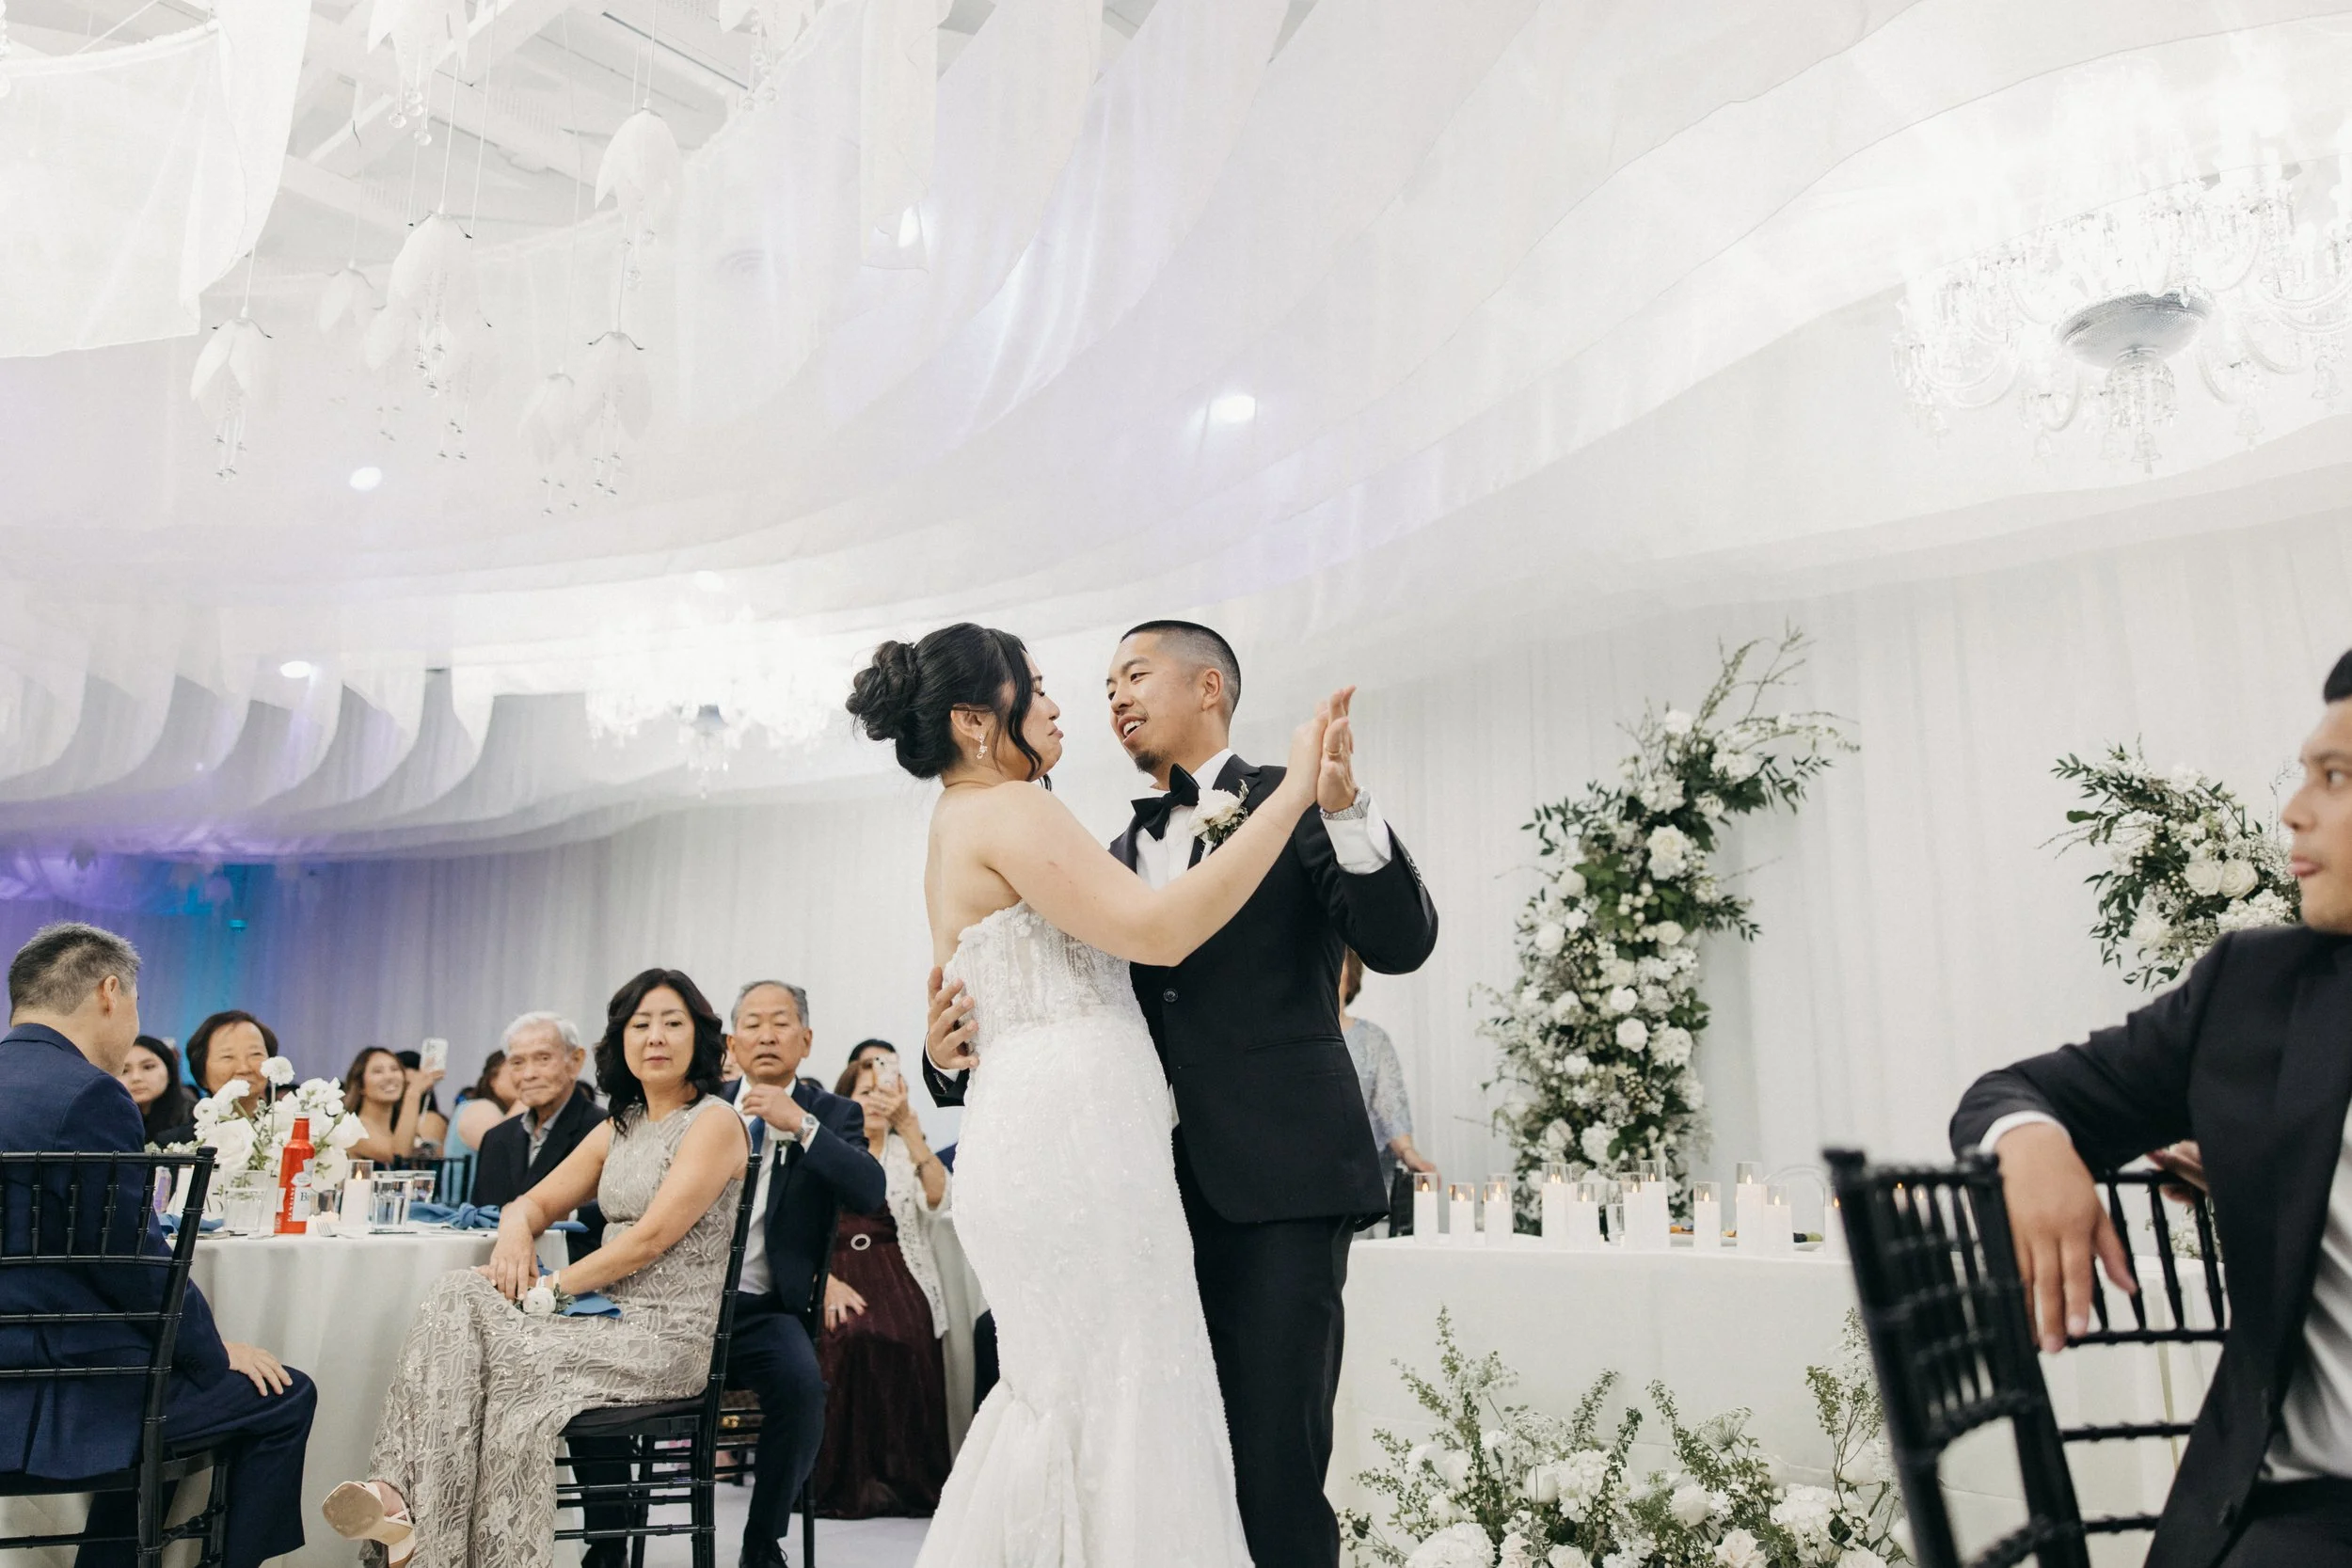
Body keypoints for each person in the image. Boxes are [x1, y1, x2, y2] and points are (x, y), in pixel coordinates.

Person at [852, 621, 1404, 1568]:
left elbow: (1397, 937)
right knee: (1124, 1404)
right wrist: (1289, 798)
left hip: (1236, 1167)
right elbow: (1152, 934)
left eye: (1130, 675)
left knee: (1153, 1421)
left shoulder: (975, 820)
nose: (1077, 701)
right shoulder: (1022, 813)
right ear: (977, 720)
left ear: (1209, 687)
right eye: (1040, 686)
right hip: (1089, 1156)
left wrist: (1321, 800)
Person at [1951, 649, 2352, 1568]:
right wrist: (2033, 1143)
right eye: (2304, 773)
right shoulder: (2253, 990)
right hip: (2314, 1519)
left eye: (2334, 777)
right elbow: (2016, 1093)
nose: (2293, 809)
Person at [321, 968, 750, 1568]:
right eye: (640, 1025)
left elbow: (649, 1240)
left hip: (666, 1336)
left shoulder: (714, 1121)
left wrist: (549, 1288)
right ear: (621, 1041)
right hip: (601, 1320)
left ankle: (441, 1537)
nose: (655, 1037)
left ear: (699, 1037)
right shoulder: (620, 1126)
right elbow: (531, 1202)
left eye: (672, 1023)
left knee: (504, 1369)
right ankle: (398, 1498)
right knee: (456, 1294)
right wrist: (516, 1233)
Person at [0, 923, 317, 1568]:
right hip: (63, 1391)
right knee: (285, 1395)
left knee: (162, 1381)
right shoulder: (88, 1092)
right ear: (110, 991)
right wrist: (212, 1352)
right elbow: (137, 1266)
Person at [722, 979, 884, 1568]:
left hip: (764, 1310)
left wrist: (801, 1126)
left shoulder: (833, 1113)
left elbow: (868, 1190)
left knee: (802, 1389)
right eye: (752, 1023)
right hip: (684, 1304)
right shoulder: (702, 1106)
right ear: (731, 1042)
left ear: (807, 1040)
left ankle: (762, 1544)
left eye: (781, 1022)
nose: (766, 1034)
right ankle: (607, 1548)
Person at [810, 1045, 952, 1518]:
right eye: (863, 1092)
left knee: (908, 1335)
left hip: (898, 1266)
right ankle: (847, 1482)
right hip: (837, 1268)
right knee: (848, 1334)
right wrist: (823, 1281)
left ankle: (907, 1482)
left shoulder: (904, 1149)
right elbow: (799, 1227)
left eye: (882, 1091)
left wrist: (910, 1130)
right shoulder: (827, 1151)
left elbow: (939, 1200)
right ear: (844, 1100)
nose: (874, 1100)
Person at [472, 1011, 605, 1212]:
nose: (529, 1074)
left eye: (543, 1059)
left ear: (575, 1061)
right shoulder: (497, 1138)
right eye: (517, 1063)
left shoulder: (603, 1130)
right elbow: (479, 1218)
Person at [1338, 946, 1438, 1196]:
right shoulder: (1285, 1041)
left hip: (1356, 1178)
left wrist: (1410, 1154)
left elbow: (1390, 1108)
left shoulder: (1372, 1040)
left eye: (1335, 967)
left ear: (1351, 977)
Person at [342, 1045, 450, 1164]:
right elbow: (399, 1157)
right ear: (361, 1085)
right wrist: (413, 1093)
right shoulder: (353, 1128)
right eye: (378, 1071)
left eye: (395, 1069)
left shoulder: (398, 1128)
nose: (389, 1077)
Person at [183, 1009, 278, 1115]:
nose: (244, 1068)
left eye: (255, 1054)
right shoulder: (187, 1125)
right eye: (227, 1057)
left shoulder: (287, 1123)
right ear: (202, 1074)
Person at [117, 1033, 196, 1147]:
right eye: (124, 1071)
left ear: (169, 1070)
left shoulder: (195, 1119)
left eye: (148, 1067)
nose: (136, 1078)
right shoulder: (107, 1124)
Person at [448, 1050, 523, 1164]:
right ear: (493, 1080)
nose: (524, 1077)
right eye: (516, 1069)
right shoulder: (479, 1107)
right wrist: (527, 1096)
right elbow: (502, 1148)